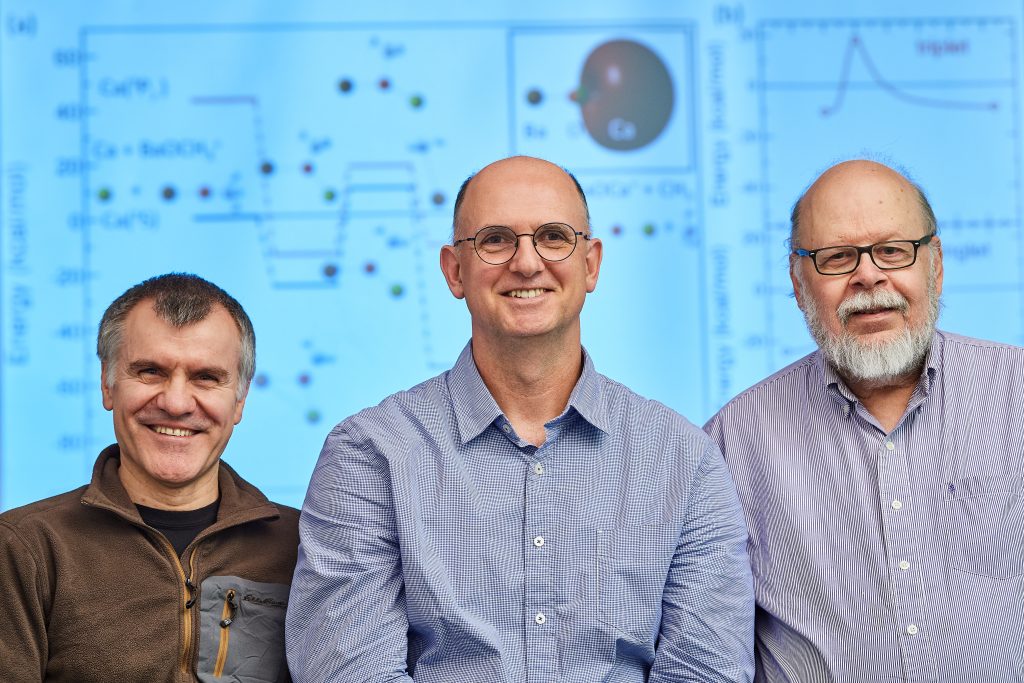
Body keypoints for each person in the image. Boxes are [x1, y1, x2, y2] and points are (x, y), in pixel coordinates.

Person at [286, 155, 754, 681]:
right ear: (453, 270)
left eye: (554, 237)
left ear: (592, 264)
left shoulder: (684, 460)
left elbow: (706, 672)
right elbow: (349, 673)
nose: (527, 263)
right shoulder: (370, 454)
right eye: (495, 240)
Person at [704, 159, 1024, 681]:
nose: (868, 276)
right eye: (836, 257)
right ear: (797, 279)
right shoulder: (730, 444)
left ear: (936, 265)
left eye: (893, 251)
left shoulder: (1018, 393)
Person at [0, 273, 299, 682]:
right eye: (150, 371)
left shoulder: (307, 547)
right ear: (108, 384)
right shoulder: (23, 548)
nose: (176, 402)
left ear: (240, 399)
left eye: (206, 377)